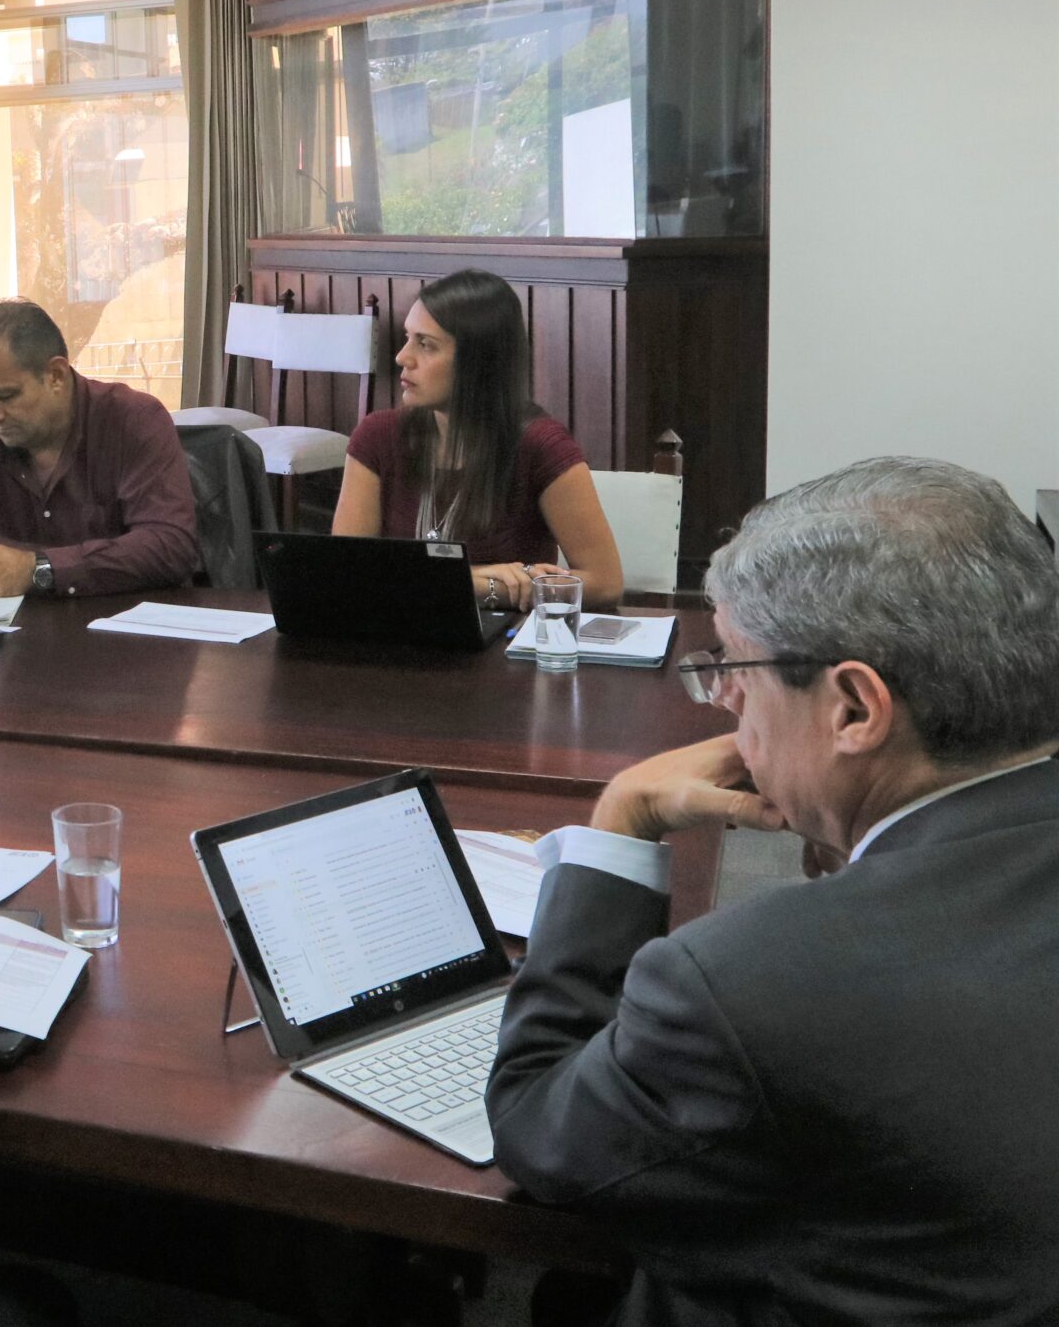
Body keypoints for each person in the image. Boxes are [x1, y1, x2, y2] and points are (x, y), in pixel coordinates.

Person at [486, 457, 1059, 1325]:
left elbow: (540, 1130)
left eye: (736, 670)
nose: (724, 705)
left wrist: (619, 820)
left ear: (855, 709)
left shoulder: (748, 983)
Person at [334, 269, 623, 611]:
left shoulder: (540, 445)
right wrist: (471, 579)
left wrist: (476, 588)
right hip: (400, 641)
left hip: (503, 651)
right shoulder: (377, 436)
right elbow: (346, 570)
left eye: (425, 344)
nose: (402, 357)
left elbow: (605, 582)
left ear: (479, 361)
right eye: (408, 337)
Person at [0, 299, 196, 598]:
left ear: (55, 375)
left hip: (125, 626)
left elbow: (170, 545)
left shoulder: (134, 419)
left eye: (5, 395)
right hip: (16, 631)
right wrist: (63, 565)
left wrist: (38, 568)